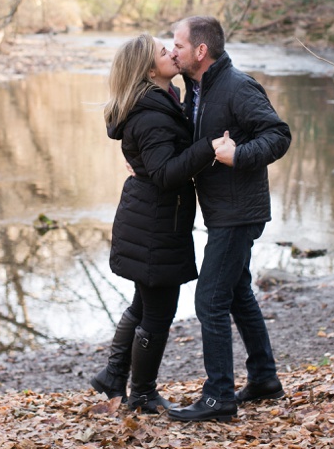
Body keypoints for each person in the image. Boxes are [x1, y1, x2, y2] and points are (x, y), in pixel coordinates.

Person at [91, 33, 233, 413]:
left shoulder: (161, 100)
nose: (172, 51)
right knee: (158, 311)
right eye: (163, 51)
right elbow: (164, 172)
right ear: (148, 68)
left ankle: (112, 376)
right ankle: (141, 393)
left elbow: (158, 160)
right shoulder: (151, 114)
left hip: (150, 216)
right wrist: (208, 148)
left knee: (143, 303)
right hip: (154, 222)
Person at [166, 16, 292, 423]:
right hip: (222, 210)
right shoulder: (198, 88)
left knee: (210, 299)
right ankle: (265, 379)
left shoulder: (238, 86)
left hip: (239, 212)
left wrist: (239, 156)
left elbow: (277, 134)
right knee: (238, 294)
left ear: (201, 51)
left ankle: (219, 397)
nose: (173, 51)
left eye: (179, 45)